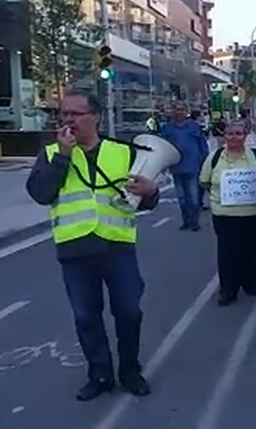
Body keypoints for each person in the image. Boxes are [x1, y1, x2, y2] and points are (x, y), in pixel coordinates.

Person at [25, 91, 157, 401]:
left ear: (95, 116)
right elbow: (41, 194)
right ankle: (99, 374)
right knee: (86, 317)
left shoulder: (123, 152)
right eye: (64, 114)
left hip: (118, 247)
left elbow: (145, 199)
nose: (68, 119)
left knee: (129, 312)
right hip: (75, 251)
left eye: (75, 113)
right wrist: (62, 157)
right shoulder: (51, 153)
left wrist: (150, 191)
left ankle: (130, 370)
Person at [199, 120, 256, 306]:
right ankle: (228, 290)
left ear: (245, 136)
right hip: (224, 214)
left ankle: (250, 282)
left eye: (239, 133)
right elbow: (204, 181)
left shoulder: (255, 155)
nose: (234, 137)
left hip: (253, 212)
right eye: (230, 133)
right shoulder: (215, 157)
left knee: (250, 249)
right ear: (224, 136)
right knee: (227, 252)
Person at [160, 103, 209, 231]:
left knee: (193, 196)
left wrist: (205, 162)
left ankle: (194, 222)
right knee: (181, 198)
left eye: (182, 110)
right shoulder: (167, 128)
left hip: (193, 166)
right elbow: (163, 147)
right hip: (176, 167)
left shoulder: (194, 127)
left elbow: (202, 145)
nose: (179, 112)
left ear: (186, 112)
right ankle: (186, 221)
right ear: (172, 112)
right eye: (177, 109)